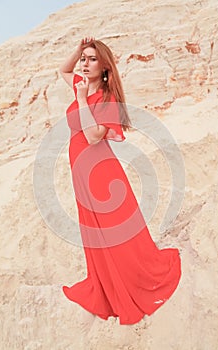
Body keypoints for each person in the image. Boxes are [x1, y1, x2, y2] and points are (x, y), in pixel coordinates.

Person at [60, 37, 181, 325]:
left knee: (113, 226)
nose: (84, 64)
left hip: (100, 171)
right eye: (83, 59)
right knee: (95, 228)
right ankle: (106, 282)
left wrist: (79, 100)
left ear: (104, 67)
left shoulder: (105, 98)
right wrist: (78, 49)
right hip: (80, 169)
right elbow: (62, 71)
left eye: (91, 59)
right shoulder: (80, 82)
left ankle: (130, 280)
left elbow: (91, 137)